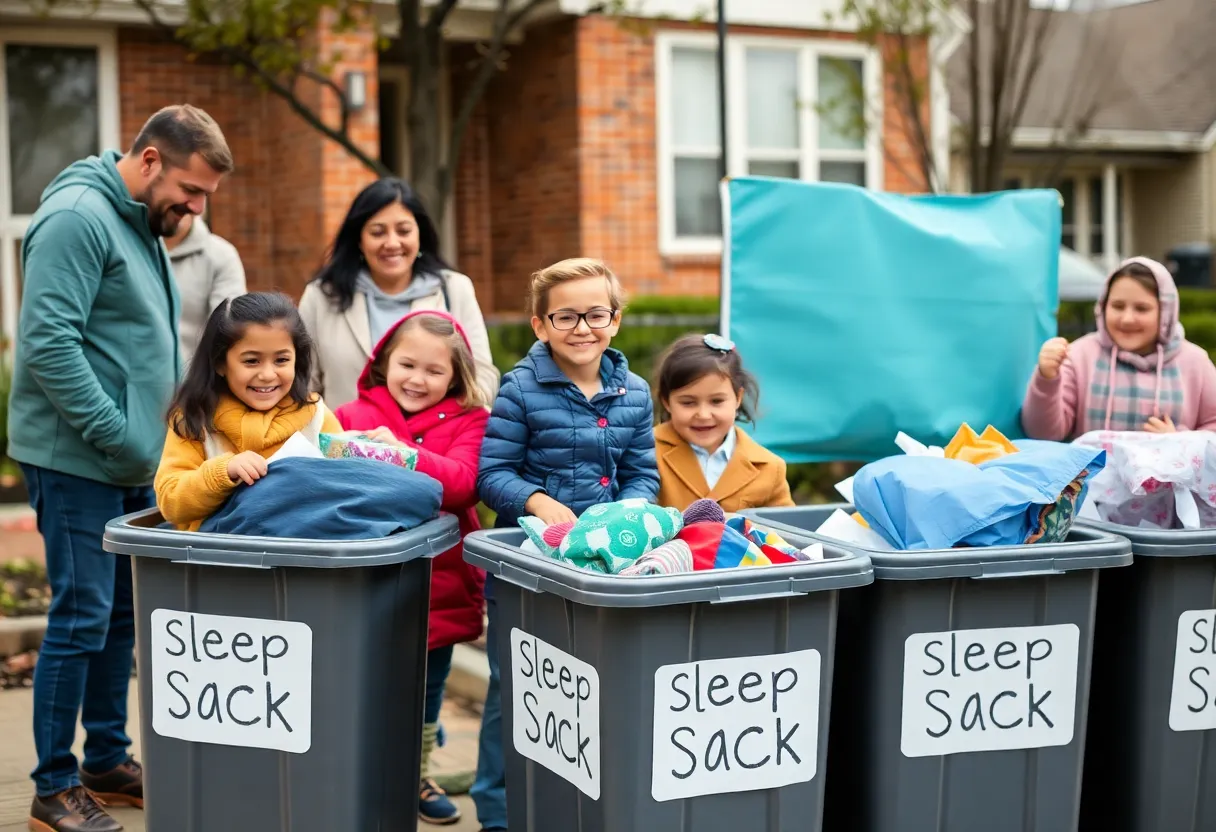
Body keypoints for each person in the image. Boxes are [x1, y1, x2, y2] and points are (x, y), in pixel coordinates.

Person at [7, 104, 232, 832]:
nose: (195, 210)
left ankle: (105, 760)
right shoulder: (78, 216)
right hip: (79, 461)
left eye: (205, 199)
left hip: (132, 458)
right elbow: (46, 345)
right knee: (81, 619)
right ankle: (52, 786)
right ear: (150, 160)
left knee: (122, 619)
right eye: (191, 191)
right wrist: (114, 434)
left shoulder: (139, 220)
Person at [474, 257, 659, 831]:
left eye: (595, 314)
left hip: (609, 559)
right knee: (517, 680)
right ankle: (499, 811)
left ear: (616, 320)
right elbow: (492, 473)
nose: (582, 328)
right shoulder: (521, 390)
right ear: (540, 324)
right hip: (534, 562)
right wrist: (536, 501)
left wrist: (629, 510)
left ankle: (579, 799)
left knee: (595, 680)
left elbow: (644, 472)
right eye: (566, 316)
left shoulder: (633, 391)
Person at [334, 310, 489, 826]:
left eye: (434, 371)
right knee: (364, 682)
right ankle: (363, 769)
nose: (418, 380)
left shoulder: (471, 420)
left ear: (455, 377)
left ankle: (416, 774)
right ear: (383, 363)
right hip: (365, 582)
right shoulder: (350, 414)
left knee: (427, 687)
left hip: (437, 584)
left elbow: (464, 483)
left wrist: (402, 455)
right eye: (407, 364)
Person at [299, 178, 499, 409]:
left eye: (403, 231)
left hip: (433, 443)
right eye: (377, 232)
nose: (392, 243)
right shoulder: (321, 296)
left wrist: (442, 422)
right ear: (359, 240)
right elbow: (305, 385)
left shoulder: (454, 289)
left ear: (420, 235)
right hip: (345, 440)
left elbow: (482, 376)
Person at [155, 292, 342, 532]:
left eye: (281, 360)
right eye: (252, 361)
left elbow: (344, 480)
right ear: (220, 363)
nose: (267, 374)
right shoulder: (193, 418)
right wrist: (223, 472)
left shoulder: (315, 414)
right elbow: (170, 503)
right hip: (217, 560)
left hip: (301, 556)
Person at [1022, 256, 1216, 441]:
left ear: (1165, 312)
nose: (1127, 319)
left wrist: (1181, 442)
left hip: (1170, 476)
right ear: (1103, 307)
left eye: (1141, 308)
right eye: (1117, 306)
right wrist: (1046, 378)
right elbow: (1043, 434)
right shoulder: (1079, 356)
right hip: (1094, 476)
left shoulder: (1196, 363)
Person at [652, 332, 794, 512]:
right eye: (688, 403)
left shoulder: (770, 467)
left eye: (717, 401)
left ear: (738, 398)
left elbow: (784, 533)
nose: (703, 415)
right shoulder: (645, 451)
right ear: (666, 401)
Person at [165, 211, 247, 369]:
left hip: (194, 387)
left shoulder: (222, 255)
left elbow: (228, 333)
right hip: (128, 388)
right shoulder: (125, 249)